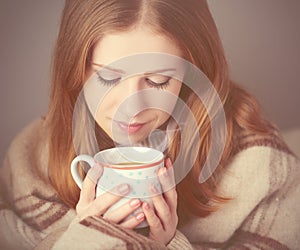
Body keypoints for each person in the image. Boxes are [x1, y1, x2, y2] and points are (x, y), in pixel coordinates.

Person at [1, 0, 299, 249]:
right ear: (75, 71)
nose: (131, 106)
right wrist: (88, 238)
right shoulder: (31, 157)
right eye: (108, 78)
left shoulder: (262, 168)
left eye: (158, 80)